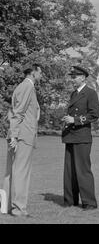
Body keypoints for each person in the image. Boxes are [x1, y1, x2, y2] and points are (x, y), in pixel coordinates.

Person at [3, 64, 42, 217]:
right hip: (22, 136)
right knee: (21, 172)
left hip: (18, 134)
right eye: (40, 72)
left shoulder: (21, 86)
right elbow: (18, 112)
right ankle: (19, 209)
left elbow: (13, 111)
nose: (41, 75)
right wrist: (14, 135)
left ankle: (6, 206)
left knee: (11, 172)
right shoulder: (27, 87)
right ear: (33, 73)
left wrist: (13, 134)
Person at [62, 66, 99, 210]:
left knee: (83, 170)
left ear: (83, 77)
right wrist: (67, 119)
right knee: (69, 171)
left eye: (75, 76)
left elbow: (94, 115)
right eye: (72, 76)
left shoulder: (90, 93)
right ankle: (70, 200)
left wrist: (75, 120)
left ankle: (89, 202)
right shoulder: (74, 94)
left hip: (82, 136)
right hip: (71, 135)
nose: (72, 79)